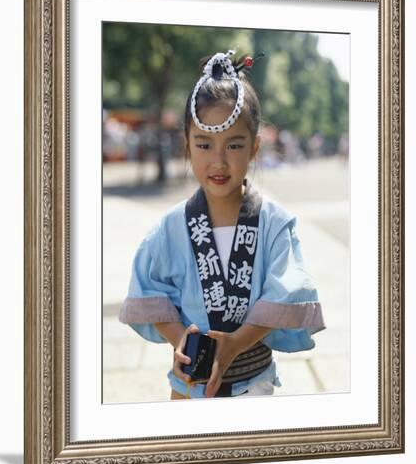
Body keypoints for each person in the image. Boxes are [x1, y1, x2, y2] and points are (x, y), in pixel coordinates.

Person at [119, 49, 325, 400]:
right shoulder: (171, 227)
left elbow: (286, 290)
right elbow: (150, 291)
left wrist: (235, 344)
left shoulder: (274, 224)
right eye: (203, 144)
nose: (218, 161)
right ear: (187, 146)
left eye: (234, 145)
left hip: (253, 380)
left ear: (254, 148)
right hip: (189, 382)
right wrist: (179, 337)